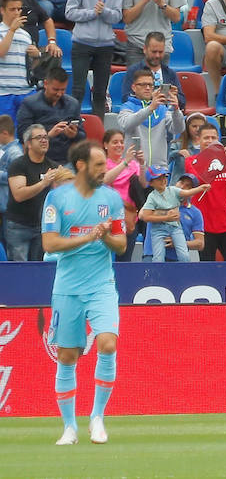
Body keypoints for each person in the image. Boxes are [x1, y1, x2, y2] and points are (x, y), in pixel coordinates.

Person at [41, 140, 126, 446]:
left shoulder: (112, 199)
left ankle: (98, 417)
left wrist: (104, 239)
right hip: (67, 288)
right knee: (67, 355)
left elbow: (121, 244)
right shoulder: (57, 199)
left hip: (102, 285)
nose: (105, 170)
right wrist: (89, 236)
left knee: (107, 343)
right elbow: (50, 244)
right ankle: (69, 427)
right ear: (80, 166)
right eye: (99, 165)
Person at [65, 0, 122, 118]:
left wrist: (103, 11)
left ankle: (99, 131)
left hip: (105, 44)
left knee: (100, 92)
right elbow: (70, 12)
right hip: (82, 42)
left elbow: (117, 16)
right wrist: (92, 13)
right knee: (78, 89)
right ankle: (73, 126)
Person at [184, 123, 226, 262]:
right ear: (198, 140)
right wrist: (217, 159)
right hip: (203, 225)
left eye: (213, 137)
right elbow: (199, 180)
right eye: (206, 138)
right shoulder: (191, 161)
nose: (210, 141)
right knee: (206, 269)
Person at [6, 123, 58, 260]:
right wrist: (44, 183)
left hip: (42, 226)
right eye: (39, 137)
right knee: (19, 269)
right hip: (18, 226)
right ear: (29, 143)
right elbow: (19, 195)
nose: (44, 140)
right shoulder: (18, 165)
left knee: (39, 269)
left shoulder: (51, 166)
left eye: (46, 137)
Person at [138, 165, 209, 262]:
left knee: (184, 259)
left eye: (188, 186)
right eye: (181, 182)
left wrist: (179, 243)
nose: (183, 186)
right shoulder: (156, 197)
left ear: (192, 192)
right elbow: (142, 215)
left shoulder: (195, 212)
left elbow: (200, 244)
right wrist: (166, 215)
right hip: (152, 254)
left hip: (176, 259)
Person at [117, 69, 184, 168]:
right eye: (143, 85)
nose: (147, 88)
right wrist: (150, 108)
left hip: (159, 169)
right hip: (134, 168)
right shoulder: (127, 107)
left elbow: (178, 129)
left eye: (150, 85)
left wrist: (176, 110)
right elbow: (127, 124)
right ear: (134, 87)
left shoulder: (162, 108)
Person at [15, 67, 84, 164]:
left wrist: (74, 134)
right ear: (46, 84)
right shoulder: (30, 104)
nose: (59, 94)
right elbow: (23, 136)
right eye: (55, 89)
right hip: (39, 160)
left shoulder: (73, 104)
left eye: (63, 90)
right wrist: (48, 135)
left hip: (65, 160)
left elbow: (83, 137)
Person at [101, 129, 143, 261]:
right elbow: (104, 180)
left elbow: (144, 184)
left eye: (121, 142)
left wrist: (142, 165)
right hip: (107, 216)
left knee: (124, 260)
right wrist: (124, 163)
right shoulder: (102, 164)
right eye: (115, 142)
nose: (119, 145)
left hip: (129, 217)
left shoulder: (133, 164)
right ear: (105, 145)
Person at [121, 31, 186, 111]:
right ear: (145, 49)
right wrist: (148, 96)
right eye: (154, 52)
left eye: (161, 52)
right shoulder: (134, 71)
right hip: (141, 115)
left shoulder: (170, 73)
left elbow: (182, 102)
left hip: (166, 115)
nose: (157, 55)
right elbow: (125, 98)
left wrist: (175, 96)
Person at [0, 0, 38, 122]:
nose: (17, 13)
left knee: (28, 133)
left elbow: (29, 65)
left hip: (25, 92)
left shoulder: (25, 35)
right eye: (12, 9)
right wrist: (11, 30)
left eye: (19, 9)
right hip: (4, 92)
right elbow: (1, 52)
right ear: (2, 11)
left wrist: (35, 54)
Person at [0, 113, 21, 244]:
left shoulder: (15, 153)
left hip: (9, 207)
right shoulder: (6, 150)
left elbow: (17, 178)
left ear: (5, 133)